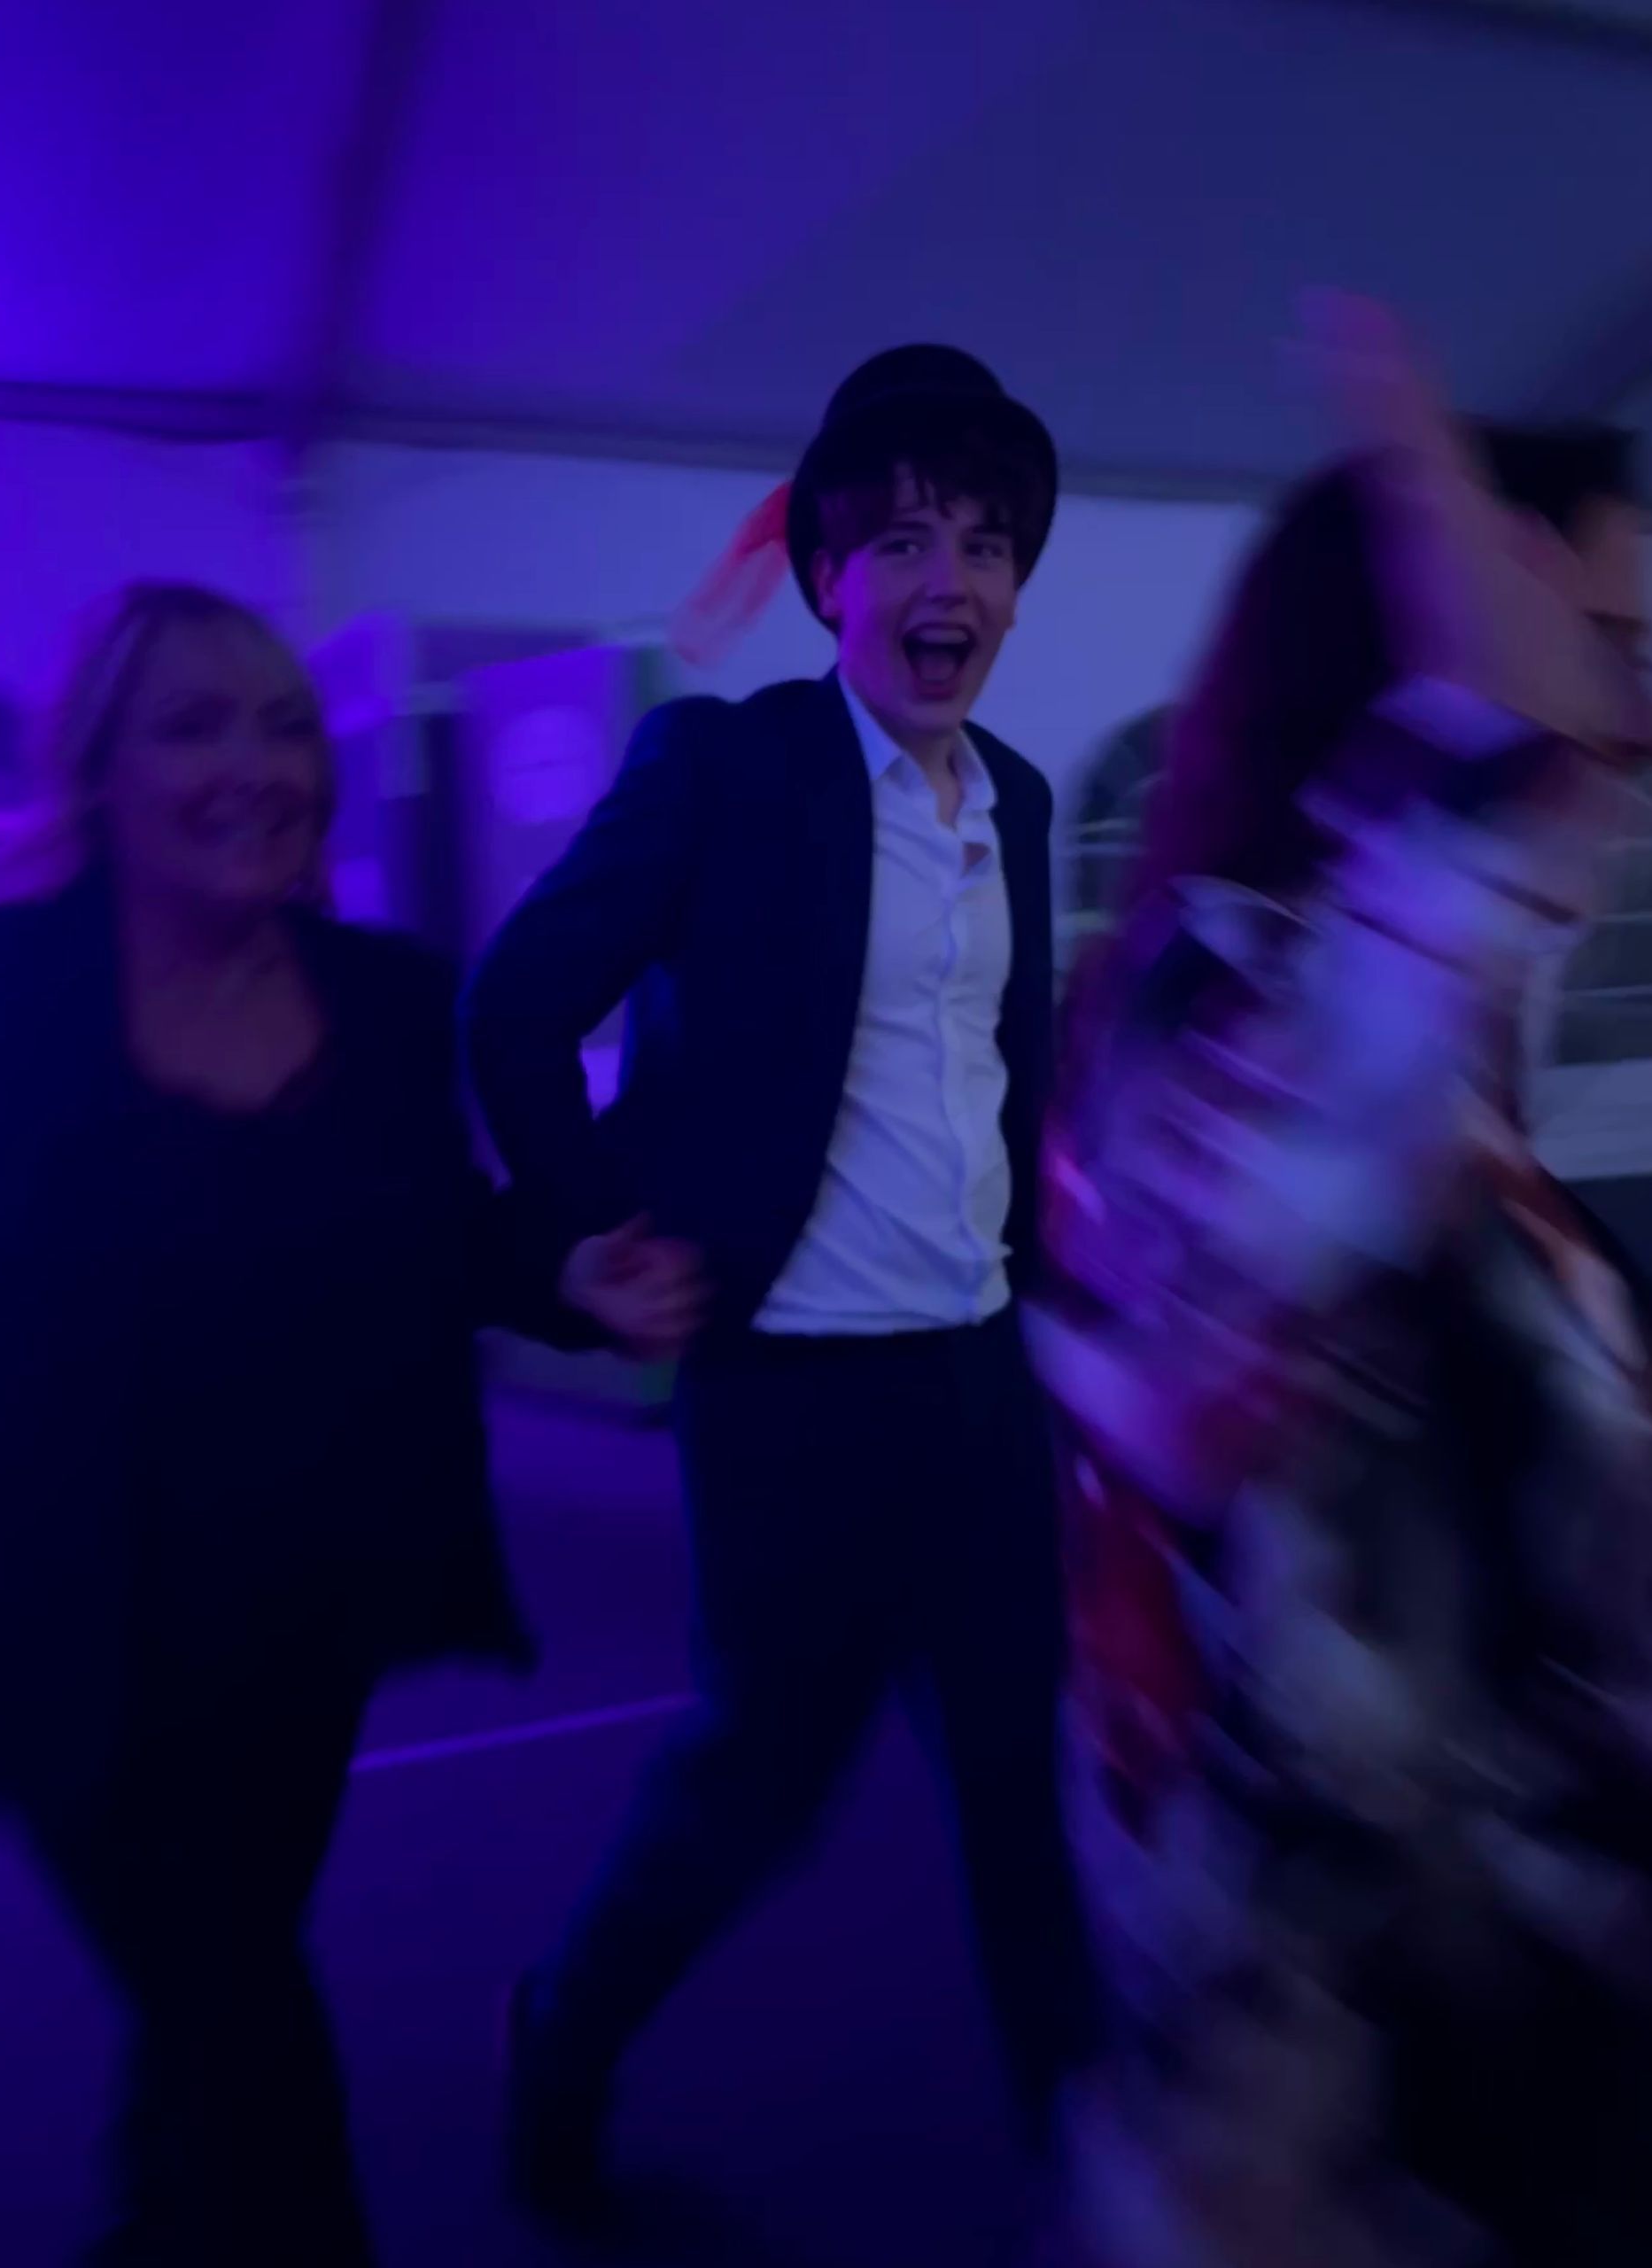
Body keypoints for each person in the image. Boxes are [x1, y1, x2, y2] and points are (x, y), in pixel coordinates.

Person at [1030, 299, 1652, 2266]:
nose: (1641, 722)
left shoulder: (1415, 1077)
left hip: (1514, 2055)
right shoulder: (1231, 1028)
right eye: (1601, 640)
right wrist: (1411, 446)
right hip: (1355, 2114)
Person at [466, 345, 1103, 2217]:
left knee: (1023, 1791)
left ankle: (1102, 2170)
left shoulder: (1021, 799)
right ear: (830, 576)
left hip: (977, 1382)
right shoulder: (728, 768)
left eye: (985, 543)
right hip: (787, 1390)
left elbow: (999, 1073)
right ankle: (558, 2040)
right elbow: (516, 1006)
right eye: (901, 540)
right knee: (755, 1784)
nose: (948, 581)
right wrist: (596, 1231)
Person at [0, 582, 675, 2266]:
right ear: (100, 772)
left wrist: (567, 1267)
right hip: (64, 1631)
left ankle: (158, 2224)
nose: (257, 765)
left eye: (286, 725)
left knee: (210, 2003)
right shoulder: (4, 998)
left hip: (302, 1623)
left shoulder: (383, 999)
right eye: (194, 726)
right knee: (249, 2040)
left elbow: (433, 1234)